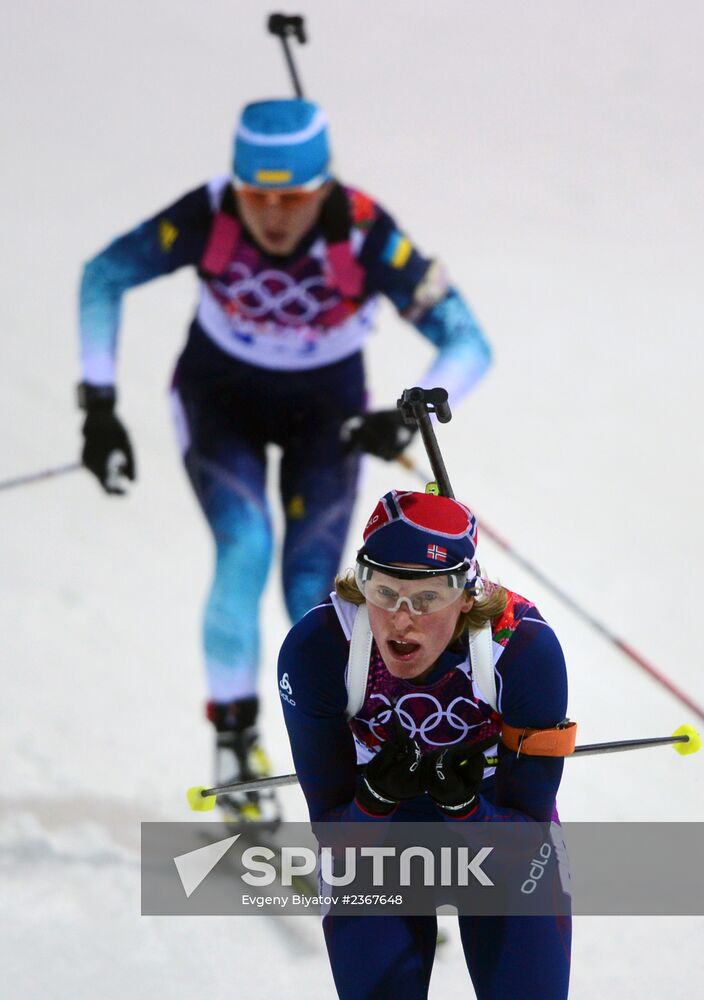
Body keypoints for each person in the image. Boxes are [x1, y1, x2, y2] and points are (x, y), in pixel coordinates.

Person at [76, 97, 492, 820]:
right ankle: (235, 746)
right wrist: (99, 406)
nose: (272, 215)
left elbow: (469, 342)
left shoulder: (364, 232)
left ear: (323, 187)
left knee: (312, 591)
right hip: (218, 404)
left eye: (293, 197)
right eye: (256, 195)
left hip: (324, 421)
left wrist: (406, 418)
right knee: (244, 549)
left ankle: (360, 759)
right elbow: (103, 275)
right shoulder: (210, 213)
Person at [278, 489, 572, 999]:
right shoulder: (320, 649)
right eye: (384, 591)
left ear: (468, 595)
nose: (401, 618)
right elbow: (333, 832)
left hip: (497, 821)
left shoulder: (521, 649)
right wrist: (374, 799)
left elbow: (527, 839)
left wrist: (466, 809)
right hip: (378, 836)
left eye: (428, 598)